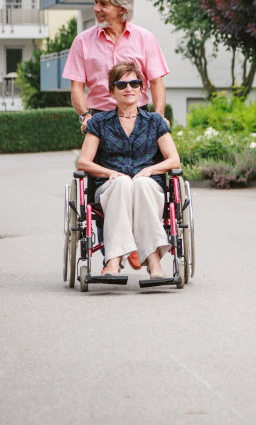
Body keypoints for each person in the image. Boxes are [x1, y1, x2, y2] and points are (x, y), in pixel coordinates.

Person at [77, 62, 180, 279]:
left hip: (148, 185)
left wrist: (151, 170)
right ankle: (113, 262)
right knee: (123, 183)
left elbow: (174, 160)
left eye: (134, 83)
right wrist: (109, 173)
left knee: (141, 184)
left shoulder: (155, 122)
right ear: (111, 90)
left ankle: (154, 263)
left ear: (142, 88)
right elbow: (83, 163)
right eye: (121, 84)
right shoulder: (99, 123)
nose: (128, 88)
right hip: (110, 186)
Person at [63, 0, 169, 134]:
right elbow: (77, 87)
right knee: (93, 160)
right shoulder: (82, 41)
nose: (96, 8)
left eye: (103, 4)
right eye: (96, 2)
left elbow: (156, 82)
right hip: (99, 119)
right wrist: (85, 116)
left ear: (122, 9)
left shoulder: (145, 39)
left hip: (139, 117)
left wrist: (159, 117)